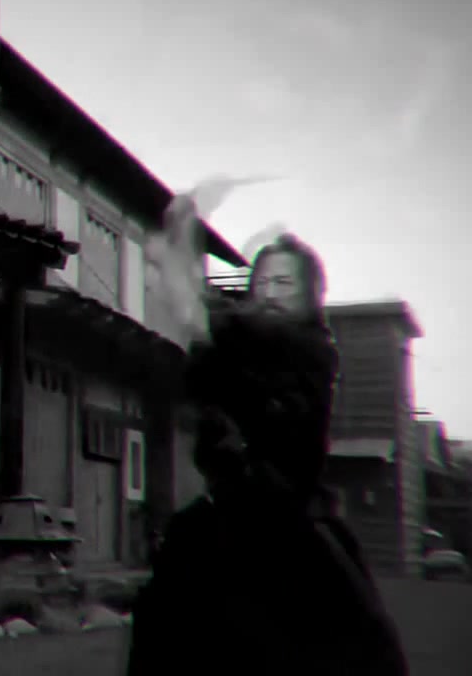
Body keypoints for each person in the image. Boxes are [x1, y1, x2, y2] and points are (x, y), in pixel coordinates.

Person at [126, 200, 408, 676]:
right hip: (224, 516)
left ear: (310, 296)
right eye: (262, 284)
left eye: (284, 284)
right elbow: (200, 377)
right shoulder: (236, 343)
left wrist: (186, 284)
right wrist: (182, 285)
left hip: (291, 522)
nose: (271, 294)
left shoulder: (313, 350)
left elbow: (239, 343)